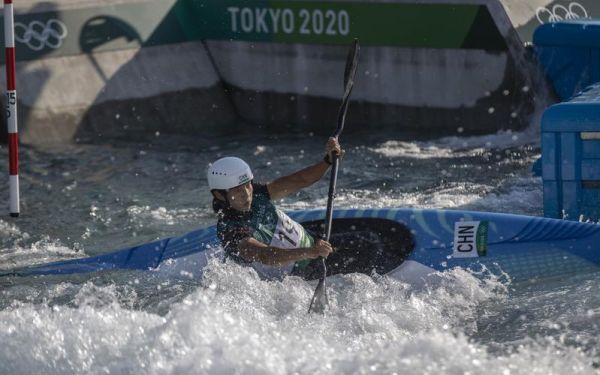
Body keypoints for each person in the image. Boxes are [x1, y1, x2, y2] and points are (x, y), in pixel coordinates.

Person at [207, 137, 343, 278]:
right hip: (299, 278)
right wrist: (310, 252)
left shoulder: (257, 192)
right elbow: (266, 256)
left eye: (247, 185)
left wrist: (327, 161)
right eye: (237, 190)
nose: (246, 194)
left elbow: (300, 180)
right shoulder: (229, 228)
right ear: (220, 195)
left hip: (317, 248)